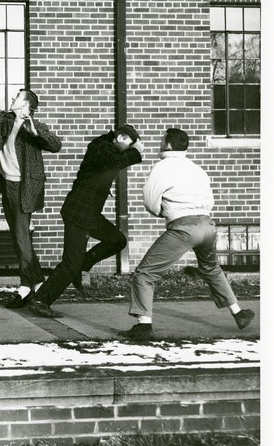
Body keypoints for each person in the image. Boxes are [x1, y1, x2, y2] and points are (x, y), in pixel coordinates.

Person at [122, 128, 255, 340]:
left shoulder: (162, 167)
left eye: (161, 140)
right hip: (207, 224)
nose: (159, 143)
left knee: (145, 273)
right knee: (211, 268)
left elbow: (149, 199)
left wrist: (162, 212)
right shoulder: (197, 168)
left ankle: (143, 325)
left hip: (184, 227)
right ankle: (238, 312)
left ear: (167, 145)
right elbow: (209, 200)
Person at [28, 124, 144, 319]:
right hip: (78, 213)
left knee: (117, 240)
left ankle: (83, 264)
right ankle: (41, 300)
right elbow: (112, 162)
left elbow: (115, 161)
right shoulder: (100, 147)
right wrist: (136, 153)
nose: (130, 150)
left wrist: (132, 151)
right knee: (70, 264)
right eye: (129, 145)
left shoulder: (107, 146)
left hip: (89, 213)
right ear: (122, 138)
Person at [0, 64, 61, 308]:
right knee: (20, 237)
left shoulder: (35, 126)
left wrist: (35, 134)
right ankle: (39, 284)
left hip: (24, 189)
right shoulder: (6, 120)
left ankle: (24, 287)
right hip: (7, 186)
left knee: (21, 238)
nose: (13, 98)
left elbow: (55, 145)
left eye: (17, 97)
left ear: (27, 105)